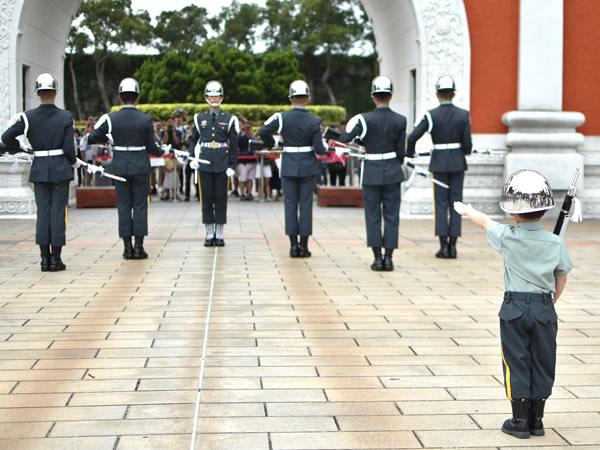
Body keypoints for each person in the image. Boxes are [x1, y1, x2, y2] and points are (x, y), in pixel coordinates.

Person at [454, 169, 573, 440]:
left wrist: (466, 209)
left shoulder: (507, 236)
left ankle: (519, 420)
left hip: (515, 307)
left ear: (512, 212)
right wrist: (552, 300)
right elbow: (562, 275)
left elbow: (485, 222)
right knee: (543, 361)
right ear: (545, 211)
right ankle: (537, 420)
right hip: (544, 306)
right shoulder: (555, 243)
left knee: (515, 361)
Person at [1, 73, 80, 271]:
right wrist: (73, 162)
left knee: (43, 213)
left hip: (40, 168)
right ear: (55, 92)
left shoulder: (27, 117)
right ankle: (56, 258)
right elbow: (69, 148)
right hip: (61, 169)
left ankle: (44, 259)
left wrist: (19, 147)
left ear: (38, 93)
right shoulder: (65, 116)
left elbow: (6, 136)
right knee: (58, 213)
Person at [88, 77, 169, 259]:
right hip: (140, 166)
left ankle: (127, 247)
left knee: (124, 206)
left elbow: (93, 137)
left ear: (121, 97)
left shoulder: (111, 118)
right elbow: (151, 147)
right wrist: (161, 150)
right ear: (137, 97)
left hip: (120, 167)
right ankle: (139, 247)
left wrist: (109, 140)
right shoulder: (145, 119)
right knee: (140, 206)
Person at [339, 75, 407, 271]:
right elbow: (401, 152)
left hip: (371, 173)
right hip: (393, 172)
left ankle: (377, 258)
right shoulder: (400, 120)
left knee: (373, 216)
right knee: (392, 216)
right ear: (391, 96)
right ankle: (389, 258)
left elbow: (346, 138)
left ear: (373, 96)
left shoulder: (365, 119)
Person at [259, 80, 327, 257]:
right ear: (308, 98)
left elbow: (262, 131)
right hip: (307, 166)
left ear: (291, 98)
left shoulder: (282, 117)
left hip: (289, 164)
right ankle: (304, 246)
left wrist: (273, 143)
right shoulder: (314, 120)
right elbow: (319, 149)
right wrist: (325, 148)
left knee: (290, 205)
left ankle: (292, 246)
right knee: (305, 205)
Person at [406, 75, 472, 259]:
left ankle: (443, 247)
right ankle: (454, 247)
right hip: (458, 162)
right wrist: (465, 151)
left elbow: (412, 137)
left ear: (437, 94)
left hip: (439, 163)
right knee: (457, 204)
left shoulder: (431, 115)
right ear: (453, 94)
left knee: (441, 205)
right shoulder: (463, 114)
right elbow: (467, 143)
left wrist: (409, 153)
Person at [189, 80, 239, 247]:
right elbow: (193, 140)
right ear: (206, 97)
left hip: (222, 162)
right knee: (207, 198)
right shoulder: (199, 118)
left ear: (221, 97)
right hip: (204, 161)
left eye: (217, 95)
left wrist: (232, 165)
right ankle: (209, 232)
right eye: (211, 95)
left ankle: (219, 232)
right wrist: (192, 158)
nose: (214, 98)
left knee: (220, 198)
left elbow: (234, 145)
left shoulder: (230, 119)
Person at [159, 116, 182, 200]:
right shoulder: (163, 132)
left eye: (171, 122)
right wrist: (166, 132)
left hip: (175, 154)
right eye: (168, 122)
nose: (170, 124)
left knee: (177, 174)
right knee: (166, 174)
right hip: (166, 155)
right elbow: (164, 142)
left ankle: (176, 192)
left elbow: (177, 142)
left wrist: (173, 133)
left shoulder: (178, 131)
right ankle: (166, 193)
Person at [237, 122, 257, 200]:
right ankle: (242, 193)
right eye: (245, 129)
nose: (247, 131)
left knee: (250, 179)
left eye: (248, 129)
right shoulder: (240, 138)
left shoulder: (253, 138)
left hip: (252, 160)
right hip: (243, 161)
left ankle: (249, 193)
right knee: (242, 179)